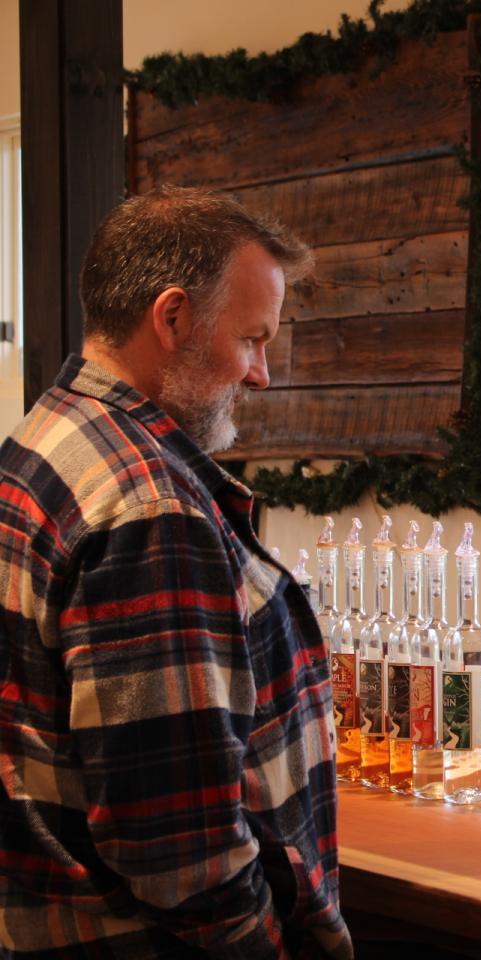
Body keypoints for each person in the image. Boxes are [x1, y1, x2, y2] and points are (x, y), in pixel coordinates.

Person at [0, 187, 352, 958]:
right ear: (172, 318)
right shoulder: (150, 509)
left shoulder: (45, 437)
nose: (260, 374)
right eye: (252, 339)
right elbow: (178, 849)